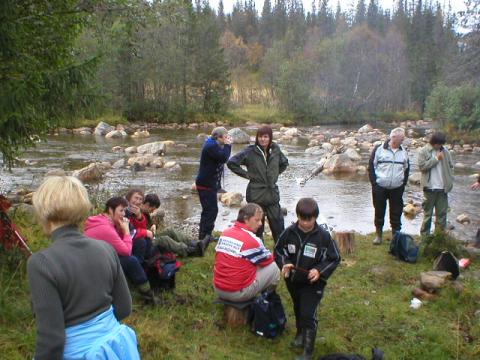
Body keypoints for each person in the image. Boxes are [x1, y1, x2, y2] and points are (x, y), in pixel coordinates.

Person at [27, 176, 140, 360]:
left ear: (44, 211)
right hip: (115, 349)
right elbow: (124, 308)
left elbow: (51, 340)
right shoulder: (106, 249)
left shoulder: (41, 263)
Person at [275, 198, 340, 360]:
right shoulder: (289, 232)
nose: (305, 223)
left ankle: (308, 352)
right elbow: (278, 250)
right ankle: (300, 335)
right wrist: (286, 264)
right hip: (293, 281)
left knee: (308, 313)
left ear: (315, 217)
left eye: (309, 219)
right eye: (302, 219)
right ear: (297, 216)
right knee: (298, 308)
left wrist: (319, 270)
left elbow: (334, 258)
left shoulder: (323, 237)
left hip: (313, 283)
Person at [84, 196, 158, 304]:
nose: (124, 214)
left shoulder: (102, 220)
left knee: (140, 243)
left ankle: (133, 280)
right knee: (131, 261)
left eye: (124, 210)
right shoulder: (105, 228)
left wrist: (122, 229)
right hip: (96, 267)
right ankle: (148, 295)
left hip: (102, 257)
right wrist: (126, 231)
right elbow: (126, 251)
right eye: (121, 210)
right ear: (110, 210)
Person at [227, 125, 289, 241]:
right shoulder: (250, 151)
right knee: (256, 230)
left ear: (270, 138)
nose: (263, 139)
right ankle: (256, 252)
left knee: (279, 227)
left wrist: (273, 174)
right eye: (260, 137)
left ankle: (280, 255)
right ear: (257, 138)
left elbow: (284, 163)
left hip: (272, 195)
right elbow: (232, 163)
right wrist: (247, 175)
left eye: (265, 137)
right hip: (256, 195)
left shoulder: (276, 150)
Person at [213, 203, 280, 302]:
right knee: (274, 269)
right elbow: (268, 260)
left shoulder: (225, 233)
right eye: (257, 220)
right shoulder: (252, 240)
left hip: (218, 288)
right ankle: (266, 300)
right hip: (236, 293)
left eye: (261, 220)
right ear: (246, 219)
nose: (261, 224)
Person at [132, 192, 211, 257]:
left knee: (170, 231)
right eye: (152, 209)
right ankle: (192, 251)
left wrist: (153, 225)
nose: (152, 212)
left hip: (149, 237)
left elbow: (148, 223)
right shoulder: (135, 214)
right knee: (165, 239)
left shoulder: (145, 212)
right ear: (147, 204)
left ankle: (194, 243)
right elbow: (136, 232)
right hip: (143, 243)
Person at [368, 127, 410, 244]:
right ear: (393, 138)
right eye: (401, 138)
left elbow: (406, 168)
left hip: (397, 188)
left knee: (396, 213)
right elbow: (371, 167)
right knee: (379, 211)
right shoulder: (379, 149)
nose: (403, 140)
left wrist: (403, 183)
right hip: (380, 187)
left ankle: (395, 237)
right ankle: (378, 235)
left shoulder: (404, 151)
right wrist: (374, 184)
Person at [196, 127, 232, 240]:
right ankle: (204, 236)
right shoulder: (211, 146)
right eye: (225, 137)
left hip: (208, 184)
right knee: (210, 210)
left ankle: (206, 234)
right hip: (205, 184)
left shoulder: (213, 143)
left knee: (210, 210)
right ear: (218, 137)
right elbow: (223, 158)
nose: (227, 139)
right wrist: (228, 145)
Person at [417, 132, 455, 235]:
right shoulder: (423, 151)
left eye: (442, 144)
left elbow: (451, 166)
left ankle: (439, 237)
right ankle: (425, 237)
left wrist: (450, 179)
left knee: (442, 215)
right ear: (433, 142)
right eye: (439, 144)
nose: (440, 146)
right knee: (427, 215)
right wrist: (436, 159)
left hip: (443, 189)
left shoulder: (445, 151)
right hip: (429, 188)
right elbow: (422, 167)